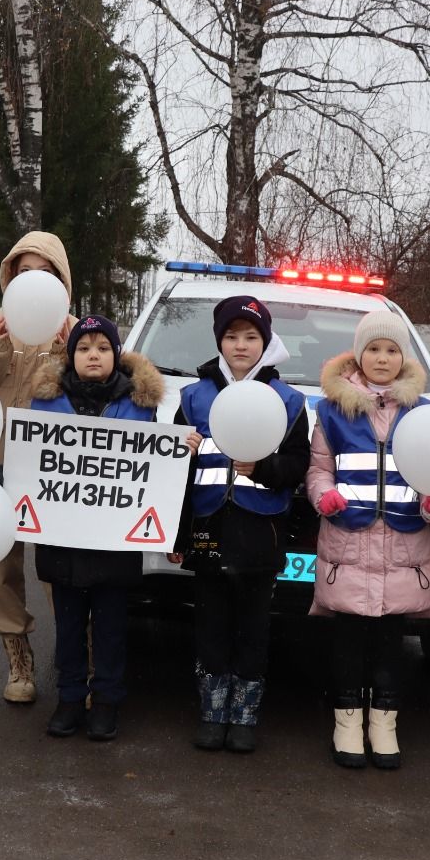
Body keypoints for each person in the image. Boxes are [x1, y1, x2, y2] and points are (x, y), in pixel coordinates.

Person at [307, 311, 430, 770]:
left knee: (391, 639)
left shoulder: (426, 413)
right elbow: (319, 468)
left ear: (403, 357)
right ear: (359, 355)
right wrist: (323, 495)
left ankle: (384, 722)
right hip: (347, 544)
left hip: (403, 547)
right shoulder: (332, 410)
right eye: (373, 349)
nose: (382, 358)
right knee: (347, 637)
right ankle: (346, 721)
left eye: (391, 349)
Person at [170, 296, 309, 752]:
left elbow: (298, 465)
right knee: (210, 623)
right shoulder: (192, 398)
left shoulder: (288, 401)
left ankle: (245, 715)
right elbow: (172, 476)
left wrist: (261, 468)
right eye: (232, 336)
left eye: (251, 337)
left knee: (254, 626)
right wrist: (179, 451)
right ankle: (212, 712)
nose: (241, 345)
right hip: (209, 528)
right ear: (219, 342)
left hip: (260, 532)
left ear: (265, 342)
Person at [28, 315, 164, 742]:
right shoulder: (46, 401)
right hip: (62, 541)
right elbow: (31, 459)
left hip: (114, 543)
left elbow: (152, 467)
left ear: (117, 355)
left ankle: (105, 701)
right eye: (84, 348)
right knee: (68, 629)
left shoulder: (140, 404)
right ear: (71, 356)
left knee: (109, 629)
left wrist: (181, 447)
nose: (93, 355)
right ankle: (69, 699)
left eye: (103, 348)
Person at [0, 232, 77, 704]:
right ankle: (18, 659)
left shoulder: (77, 329)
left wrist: (62, 351)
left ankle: (74, 656)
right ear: (11, 275)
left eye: (46, 272)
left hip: (52, 465)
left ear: (61, 280)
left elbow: (88, 392)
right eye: (25, 271)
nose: (34, 280)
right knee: (1, 569)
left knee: (60, 568)